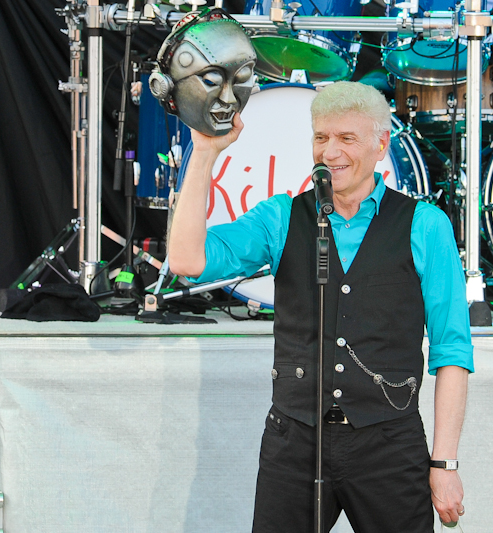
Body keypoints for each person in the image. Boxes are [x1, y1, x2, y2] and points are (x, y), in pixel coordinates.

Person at [169, 81, 474, 533]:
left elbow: (452, 350)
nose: (330, 152)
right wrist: (205, 152)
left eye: (347, 138)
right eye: (321, 137)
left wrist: (444, 462)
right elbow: (186, 260)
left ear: (380, 144)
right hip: (295, 440)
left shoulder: (425, 225)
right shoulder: (281, 216)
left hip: (389, 441)